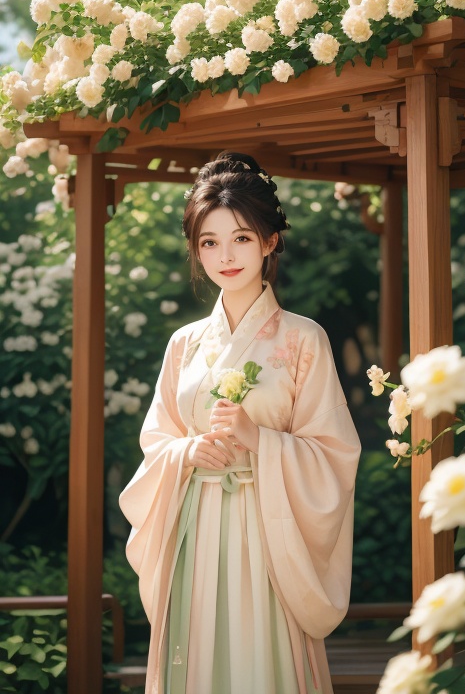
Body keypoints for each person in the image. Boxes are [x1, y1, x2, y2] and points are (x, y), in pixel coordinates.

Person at [119, 151, 361, 694]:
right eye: (209, 242)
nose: (225, 255)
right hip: (196, 527)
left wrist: (261, 440)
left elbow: (336, 450)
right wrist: (185, 453)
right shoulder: (184, 344)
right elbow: (158, 438)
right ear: (196, 248)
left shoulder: (303, 338)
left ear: (270, 242)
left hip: (270, 529)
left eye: (242, 238)